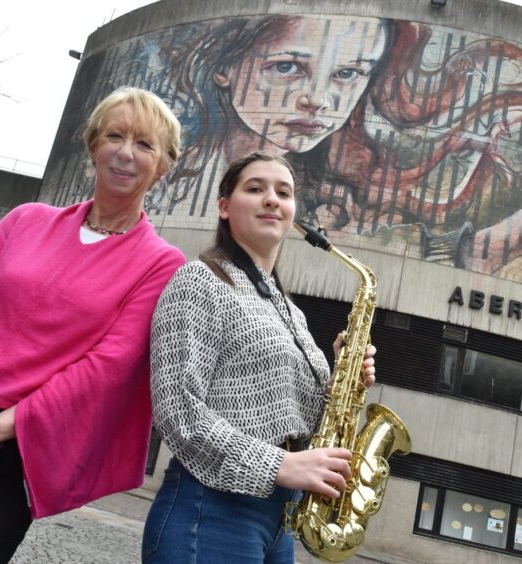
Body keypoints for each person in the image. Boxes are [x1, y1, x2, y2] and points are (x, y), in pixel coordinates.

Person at [140, 14, 522, 307]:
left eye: (347, 75)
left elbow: (438, 248)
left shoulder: (329, 185)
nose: (319, 100)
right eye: (287, 66)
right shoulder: (172, 215)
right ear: (225, 68)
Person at [0, 86, 186, 563]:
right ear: (92, 146)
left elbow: (103, 370)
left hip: (14, 446)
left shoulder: (160, 263)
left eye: (145, 144)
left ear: (164, 165)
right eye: (115, 136)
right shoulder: (26, 219)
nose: (126, 153)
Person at [142, 151, 377, 563]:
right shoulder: (199, 280)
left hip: (276, 520)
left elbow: (295, 426)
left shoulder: (290, 310)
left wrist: (342, 379)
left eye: (283, 193)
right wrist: (279, 466)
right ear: (224, 207)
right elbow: (176, 410)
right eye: (255, 188)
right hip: (211, 510)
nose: (272, 199)